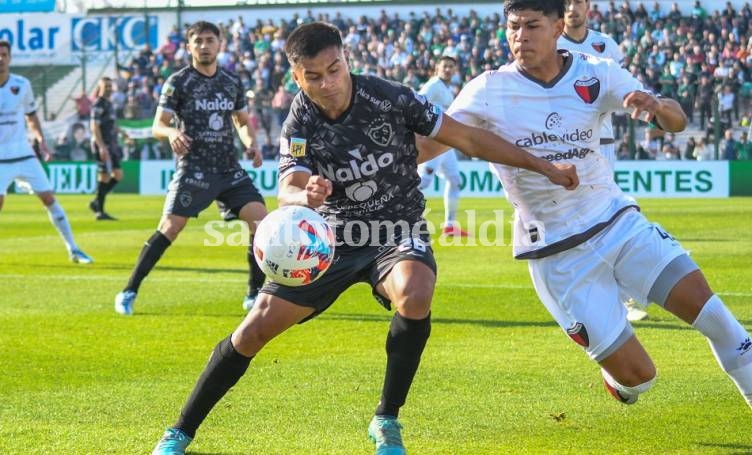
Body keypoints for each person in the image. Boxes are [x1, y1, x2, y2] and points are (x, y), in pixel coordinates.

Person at [150, 21, 577, 455]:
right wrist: (305, 194)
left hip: (397, 231)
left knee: (414, 293)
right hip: (331, 240)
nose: (328, 83)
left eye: (334, 69)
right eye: (314, 76)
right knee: (253, 329)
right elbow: (287, 188)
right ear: (297, 77)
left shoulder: (389, 97)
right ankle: (179, 433)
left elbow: (467, 137)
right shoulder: (299, 119)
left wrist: (544, 167)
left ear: (345, 60)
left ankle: (386, 419)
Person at [429, 0, 752, 412]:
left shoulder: (595, 71)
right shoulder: (487, 89)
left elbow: (677, 120)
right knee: (640, 378)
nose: (520, 37)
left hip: (617, 223)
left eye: (532, 26)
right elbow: (436, 140)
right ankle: (620, 379)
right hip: (557, 254)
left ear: (559, 26)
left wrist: (655, 106)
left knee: (722, 323)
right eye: (513, 27)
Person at [114, 22, 268, 316]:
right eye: (197, 41)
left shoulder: (231, 81)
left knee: (261, 223)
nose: (204, 45)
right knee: (170, 228)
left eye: (210, 40)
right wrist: (172, 133)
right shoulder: (178, 82)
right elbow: (159, 124)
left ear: (220, 43)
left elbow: (242, 121)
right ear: (189, 46)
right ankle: (129, 291)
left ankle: (253, 293)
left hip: (228, 168)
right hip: (194, 168)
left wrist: (251, 144)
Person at [558, 0, 648, 321]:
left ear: (588, 6)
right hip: (561, 146)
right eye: (566, 2)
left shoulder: (605, 45)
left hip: (602, 143)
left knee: (607, 220)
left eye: (578, 1)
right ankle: (582, 295)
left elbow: (621, 89)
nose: (572, 8)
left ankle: (621, 299)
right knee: (571, 222)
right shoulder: (550, 43)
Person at [0, 40, 93, 264]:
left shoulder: (22, 85)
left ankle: (74, 249)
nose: (0, 59)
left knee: (49, 198)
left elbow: (31, 116)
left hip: (23, 154)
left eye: (4, 55)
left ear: (10, 58)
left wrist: (40, 140)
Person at [416, 56, 468, 237]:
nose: (447, 69)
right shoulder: (433, 85)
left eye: (451, 67)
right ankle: (399, 215)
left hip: (446, 144)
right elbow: (416, 102)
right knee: (423, 181)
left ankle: (450, 226)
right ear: (437, 67)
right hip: (434, 140)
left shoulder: (447, 89)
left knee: (455, 180)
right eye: (445, 66)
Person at [89, 77, 126, 221]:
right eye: (106, 86)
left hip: (111, 144)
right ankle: (99, 211)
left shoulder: (109, 104)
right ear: (100, 87)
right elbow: (94, 126)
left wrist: (121, 132)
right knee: (104, 175)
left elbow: (109, 124)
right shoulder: (98, 104)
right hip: (102, 144)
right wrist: (101, 146)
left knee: (118, 175)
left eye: (110, 86)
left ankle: (96, 201)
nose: (109, 88)